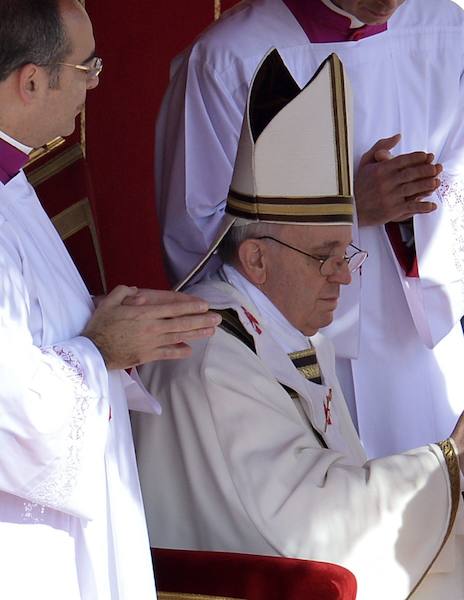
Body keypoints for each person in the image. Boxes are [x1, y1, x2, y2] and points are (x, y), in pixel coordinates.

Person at [134, 51, 464, 600]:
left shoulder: (277, 326)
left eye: (347, 254)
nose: (343, 277)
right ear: (255, 260)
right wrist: (454, 455)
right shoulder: (211, 357)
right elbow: (314, 529)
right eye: (325, 257)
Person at [154, 0, 464, 467]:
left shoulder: (443, 27)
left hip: (412, 344)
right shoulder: (228, 57)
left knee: (433, 498)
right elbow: (198, 231)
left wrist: (414, 211)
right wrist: (347, 207)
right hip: (293, 352)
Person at [0, 1, 220, 598]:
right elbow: (14, 413)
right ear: (32, 80)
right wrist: (102, 348)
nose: (96, 82)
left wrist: (99, 316)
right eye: (86, 66)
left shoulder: (10, 179)